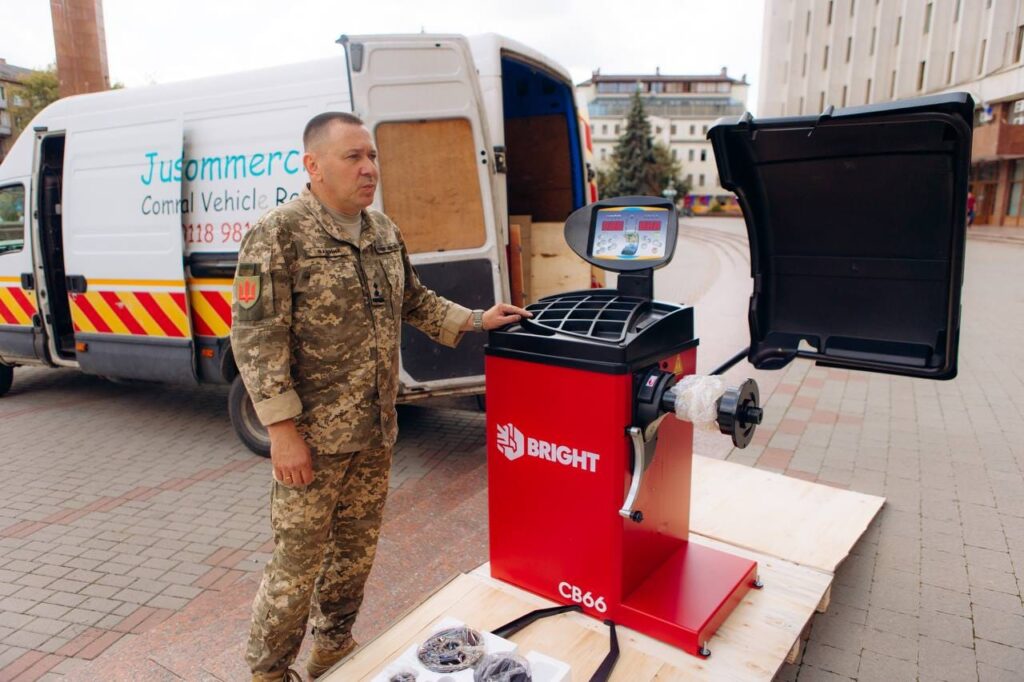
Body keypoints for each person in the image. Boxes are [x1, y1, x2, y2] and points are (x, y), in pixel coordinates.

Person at [231, 111, 531, 682]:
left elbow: (413, 300)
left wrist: (476, 318)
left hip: (373, 432)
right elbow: (255, 336)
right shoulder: (280, 233)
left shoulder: (382, 232)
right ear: (313, 166)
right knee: (297, 567)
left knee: (353, 557)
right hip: (312, 443)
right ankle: (268, 672)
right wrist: (281, 430)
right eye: (353, 158)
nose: (369, 168)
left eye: (372, 157)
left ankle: (332, 649)